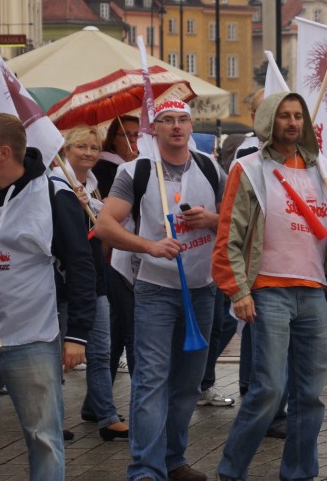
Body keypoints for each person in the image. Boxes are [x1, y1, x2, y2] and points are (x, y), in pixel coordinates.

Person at [212, 91, 327, 481]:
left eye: (298, 116)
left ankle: (299, 473)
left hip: (313, 293)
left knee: (310, 395)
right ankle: (231, 471)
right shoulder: (248, 169)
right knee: (269, 390)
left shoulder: (319, 172)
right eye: (283, 116)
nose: (292, 123)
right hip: (268, 291)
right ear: (267, 122)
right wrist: (239, 290)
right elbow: (229, 236)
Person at [0, 113, 96, 481]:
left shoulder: (53, 193)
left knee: (43, 436)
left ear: (3, 153)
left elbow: (81, 265)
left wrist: (77, 335)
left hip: (33, 338)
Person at [96, 100, 224, 481]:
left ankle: (173, 460)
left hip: (201, 288)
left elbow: (234, 221)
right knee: (151, 381)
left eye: (183, 120)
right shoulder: (135, 170)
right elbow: (105, 225)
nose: (176, 127)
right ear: (155, 129)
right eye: (166, 121)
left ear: (191, 125)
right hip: (154, 288)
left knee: (187, 384)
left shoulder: (209, 166)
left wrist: (211, 218)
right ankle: (146, 470)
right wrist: (148, 245)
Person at [52, 125, 130, 441]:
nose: (89, 153)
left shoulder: (92, 185)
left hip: (94, 279)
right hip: (61, 282)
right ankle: (53, 421)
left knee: (101, 350)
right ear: (66, 150)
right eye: (81, 146)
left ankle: (106, 416)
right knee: (55, 357)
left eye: (94, 147)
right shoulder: (55, 184)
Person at [94, 115, 140, 379]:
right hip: (113, 256)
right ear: (113, 139)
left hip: (127, 256)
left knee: (119, 329)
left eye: (136, 135)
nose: (133, 140)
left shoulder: (135, 167)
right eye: (127, 134)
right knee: (132, 329)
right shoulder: (106, 169)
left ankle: (97, 401)